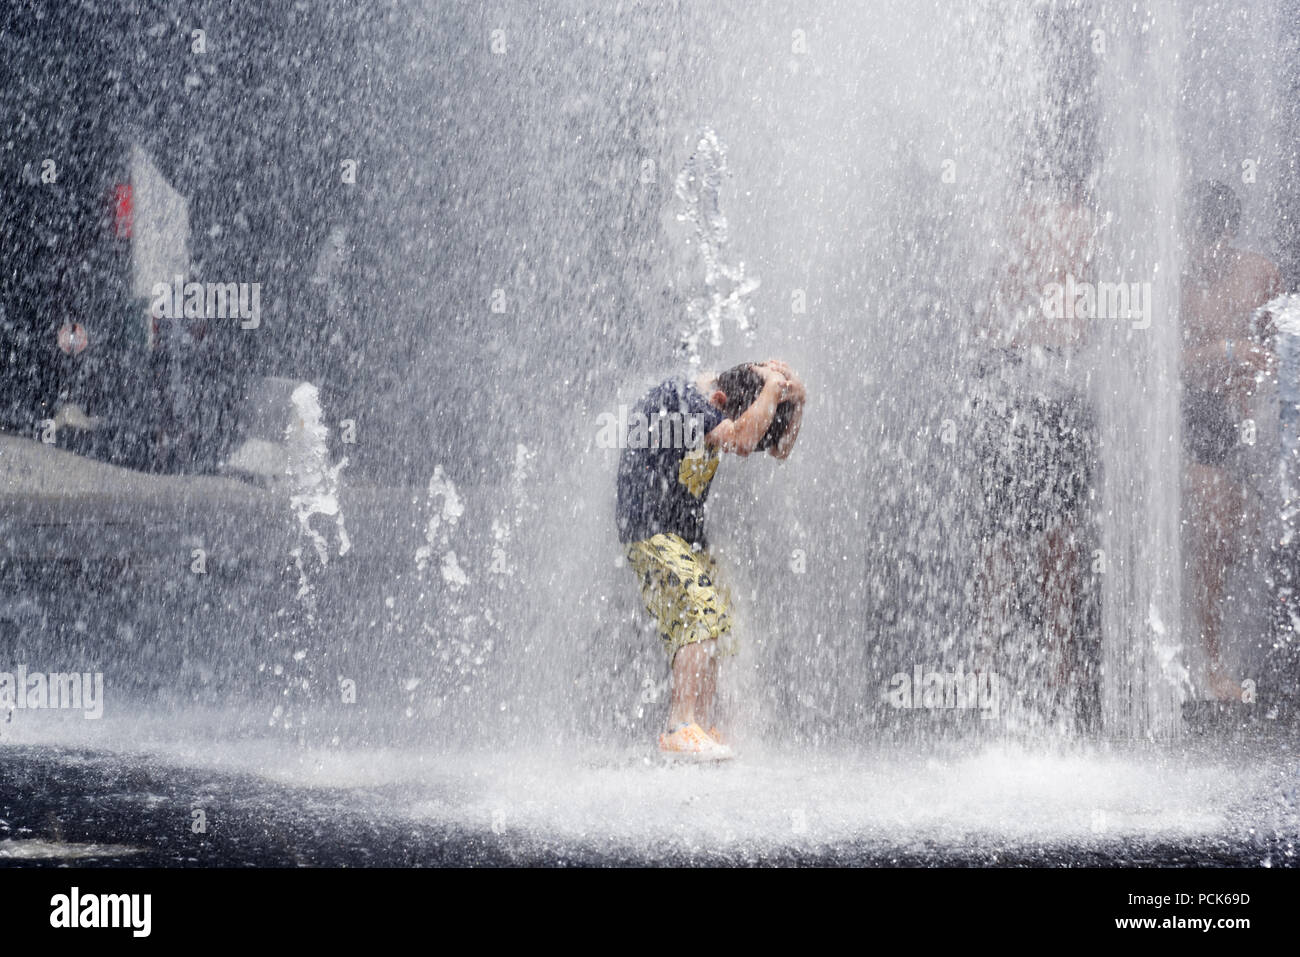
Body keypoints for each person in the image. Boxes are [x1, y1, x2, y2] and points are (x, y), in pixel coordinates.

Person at [616, 359, 805, 759]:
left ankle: (700, 726)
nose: (745, 454)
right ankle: (679, 725)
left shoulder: (716, 405)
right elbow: (739, 438)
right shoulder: (683, 397)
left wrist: (797, 400)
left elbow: (779, 451)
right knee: (698, 612)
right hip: (650, 533)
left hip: (684, 541)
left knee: (722, 618)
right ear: (720, 401)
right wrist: (770, 387)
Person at [972, 169, 1099, 728]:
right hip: (1059, 374)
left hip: (1007, 374)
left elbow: (979, 306)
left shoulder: (997, 222)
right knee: (1056, 528)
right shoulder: (1088, 222)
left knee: (1000, 530)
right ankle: (1058, 660)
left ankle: (987, 659)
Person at [1180, 181, 1281, 701]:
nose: (1210, 252)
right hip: (1199, 416)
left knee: (1244, 534)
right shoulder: (1180, 282)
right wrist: (1226, 349)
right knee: (1215, 531)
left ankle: (1231, 650)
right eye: (1202, 240)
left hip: (1251, 420)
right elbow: (1167, 363)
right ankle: (1213, 664)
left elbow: (1284, 344)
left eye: (1220, 239)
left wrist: (1264, 369)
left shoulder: (1261, 274)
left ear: (1231, 233)